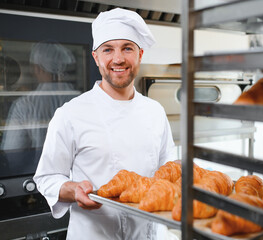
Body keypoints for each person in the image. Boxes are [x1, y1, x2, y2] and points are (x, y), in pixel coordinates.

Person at [33, 8, 176, 240]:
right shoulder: (70, 114)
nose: (118, 59)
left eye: (127, 48)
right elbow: (47, 177)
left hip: (149, 234)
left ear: (140, 54)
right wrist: (73, 190)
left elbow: (168, 169)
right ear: (96, 57)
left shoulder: (155, 111)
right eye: (108, 49)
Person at [1, 41, 76, 175]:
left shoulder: (24, 105)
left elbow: (13, 157)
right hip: (75, 180)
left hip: (35, 179)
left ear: (37, 68)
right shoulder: (80, 99)